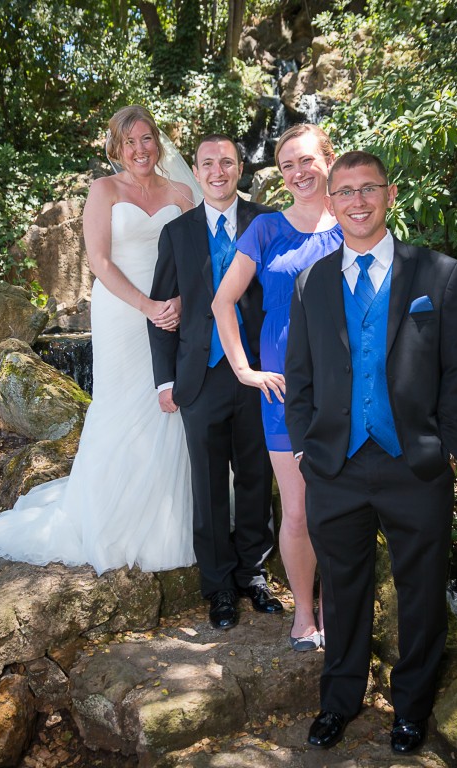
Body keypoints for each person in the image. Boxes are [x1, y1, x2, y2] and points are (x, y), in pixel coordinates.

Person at [284, 151, 457, 753]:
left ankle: (412, 709)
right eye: (345, 192)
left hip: (415, 463)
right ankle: (339, 701)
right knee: (341, 591)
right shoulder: (312, 281)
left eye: (368, 189)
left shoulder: (439, 275)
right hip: (335, 465)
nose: (357, 202)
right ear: (332, 202)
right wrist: (306, 450)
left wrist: (448, 449)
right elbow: (301, 374)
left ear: (390, 195)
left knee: (420, 592)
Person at [0, 105, 197, 572]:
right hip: (123, 311)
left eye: (146, 139)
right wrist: (148, 306)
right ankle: (113, 518)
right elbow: (100, 262)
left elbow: (198, 259)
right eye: (128, 142)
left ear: (159, 141)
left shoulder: (182, 193)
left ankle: (172, 520)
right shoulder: (104, 191)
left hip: (174, 311)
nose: (139, 150)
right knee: (124, 406)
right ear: (115, 148)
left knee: (172, 408)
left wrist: (180, 306)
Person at [211, 124, 343, 650]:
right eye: (287, 165)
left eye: (306, 161)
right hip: (283, 391)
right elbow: (223, 303)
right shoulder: (265, 230)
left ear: (328, 160)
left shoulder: (355, 221)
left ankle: (343, 613)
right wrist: (245, 370)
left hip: (345, 387)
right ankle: (304, 615)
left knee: (342, 507)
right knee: (296, 509)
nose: (297, 173)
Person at [148, 134, 281, 630]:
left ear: (240, 168)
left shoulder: (268, 223)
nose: (217, 170)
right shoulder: (177, 233)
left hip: (258, 374)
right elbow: (162, 312)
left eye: (227, 161)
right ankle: (219, 586)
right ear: (197, 172)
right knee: (206, 483)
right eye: (208, 163)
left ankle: (253, 574)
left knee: (255, 477)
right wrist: (164, 381)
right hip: (198, 378)